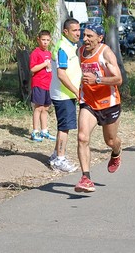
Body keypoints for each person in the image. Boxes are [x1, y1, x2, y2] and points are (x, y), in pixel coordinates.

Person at [74, 23, 123, 193]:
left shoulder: (106, 53)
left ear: (100, 38)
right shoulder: (80, 52)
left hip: (109, 103)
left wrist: (98, 80)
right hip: (88, 101)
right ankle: (86, 178)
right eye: (84, 35)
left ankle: (116, 152)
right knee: (82, 137)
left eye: (89, 36)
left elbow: (118, 79)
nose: (85, 39)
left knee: (110, 141)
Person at [48, 18, 82, 173]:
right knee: (65, 128)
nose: (78, 33)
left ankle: (56, 155)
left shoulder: (69, 46)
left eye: (79, 30)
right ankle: (60, 160)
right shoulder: (63, 48)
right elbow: (61, 74)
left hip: (67, 94)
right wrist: (76, 91)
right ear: (65, 31)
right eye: (74, 30)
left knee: (64, 126)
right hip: (63, 94)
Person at [28, 30, 56, 142]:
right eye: (43, 40)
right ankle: (35, 131)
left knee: (45, 108)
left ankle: (44, 130)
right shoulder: (36, 53)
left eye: (47, 40)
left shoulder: (49, 54)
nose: (45, 42)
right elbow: (32, 69)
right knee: (38, 108)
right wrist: (44, 64)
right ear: (38, 40)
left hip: (48, 85)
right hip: (39, 83)